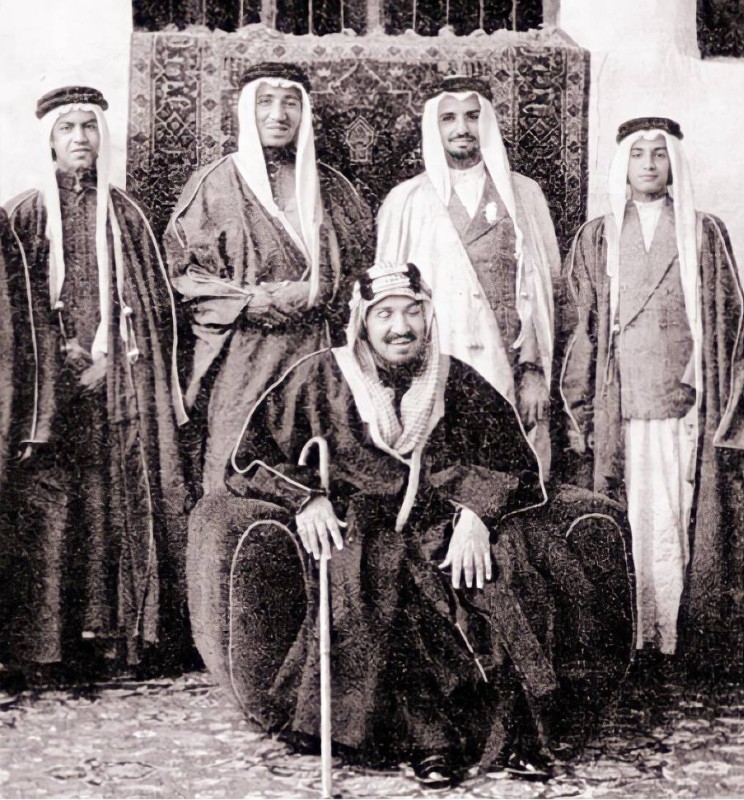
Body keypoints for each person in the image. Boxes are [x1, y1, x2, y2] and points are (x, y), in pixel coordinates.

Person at [187, 262, 633, 788]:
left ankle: (520, 733)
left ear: (428, 317)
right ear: (362, 322)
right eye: (385, 314)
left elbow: (516, 463)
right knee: (380, 579)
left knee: (508, 565)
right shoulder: (319, 377)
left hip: (451, 521)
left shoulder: (456, 379)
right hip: (368, 529)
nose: (401, 327)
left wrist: (478, 514)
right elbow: (249, 459)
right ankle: (429, 741)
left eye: (412, 312)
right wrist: (306, 499)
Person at [2, 86, 189, 682]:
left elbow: (153, 309)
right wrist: (57, 360)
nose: (80, 138)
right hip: (47, 395)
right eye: (68, 128)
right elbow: (13, 313)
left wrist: (112, 360)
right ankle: (48, 648)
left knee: (115, 506)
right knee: (53, 511)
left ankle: (119, 640)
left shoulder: (126, 215)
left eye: (89, 127)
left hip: (117, 388)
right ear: (50, 140)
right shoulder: (23, 215)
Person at [560, 116, 744, 677]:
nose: (648, 164)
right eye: (637, 154)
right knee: (629, 517)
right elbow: (580, 331)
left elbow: (731, 326)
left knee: (679, 516)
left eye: (659, 154)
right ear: (622, 162)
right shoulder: (597, 236)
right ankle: (632, 639)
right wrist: (581, 411)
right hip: (621, 407)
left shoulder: (703, 231)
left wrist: (728, 411)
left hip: (685, 410)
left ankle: (677, 642)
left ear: (674, 162)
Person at [165, 62, 373, 495]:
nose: (278, 114)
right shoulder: (213, 184)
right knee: (234, 465)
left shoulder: (334, 187)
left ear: (304, 112)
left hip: (317, 348)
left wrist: (318, 290)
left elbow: (364, 271)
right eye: (266, 102)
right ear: (247, 109)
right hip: (242, 351)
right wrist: (247, 301)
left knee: (322, 462)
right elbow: (182, 273)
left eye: (290, 103)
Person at [376, 75, 561, 476]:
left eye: (472, 116)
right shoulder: (406, 201)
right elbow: (385, 304)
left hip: (508, 370)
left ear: (488, 121)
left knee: (513, 482)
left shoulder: (524, 195)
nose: (461, 128)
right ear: (434, 126)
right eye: (449, 118)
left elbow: (545, 290)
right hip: (434, 375)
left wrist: (532, 370)